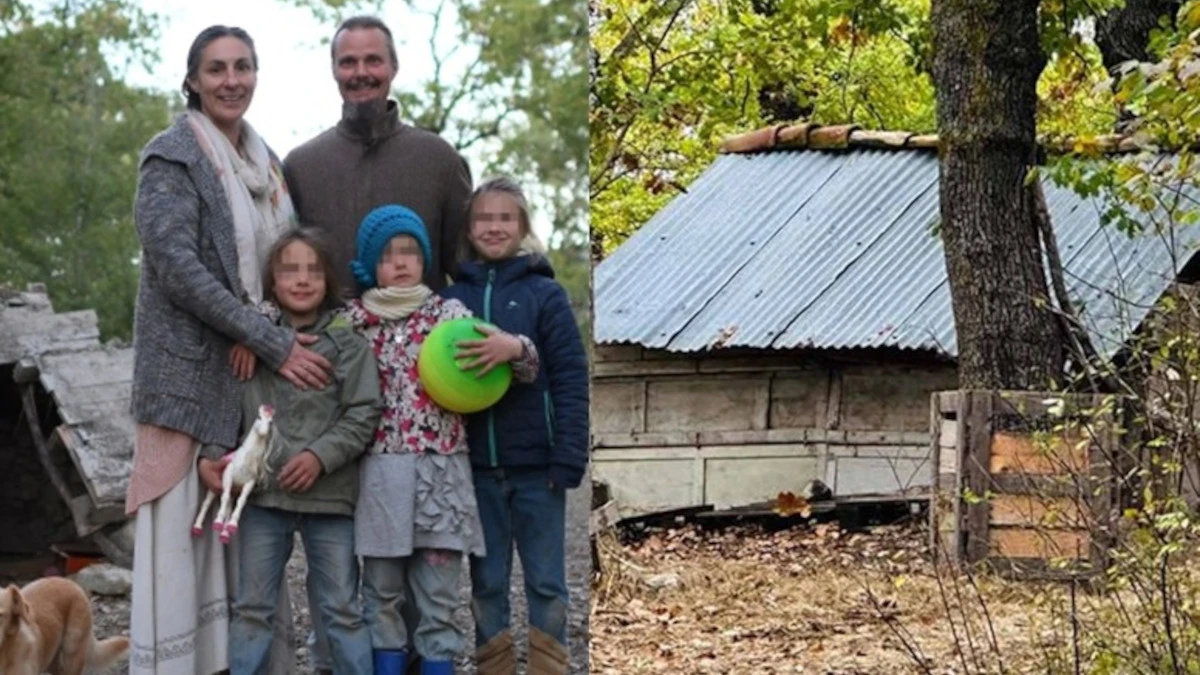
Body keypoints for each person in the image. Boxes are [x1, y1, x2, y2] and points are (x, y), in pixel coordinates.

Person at [126, 25, 333, 675]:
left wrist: (261, 329)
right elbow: (176, 267)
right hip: (186, 377)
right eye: (216, 69)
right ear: (192, 80)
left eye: (243, 66)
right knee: (183, 538)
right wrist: (259, 333)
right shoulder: (172, 156)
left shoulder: (265, 162)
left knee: (248, 535)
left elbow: (279, 265)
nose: (231, 80)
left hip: (247, 376)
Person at [340, 205, 539, 675]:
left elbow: (521, 363)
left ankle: (437, 664)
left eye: (411, 251)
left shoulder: (448, 314)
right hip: (378, 474)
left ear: (424, 258)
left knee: (439, 592)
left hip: (440, 473)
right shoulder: (351, 321)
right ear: (372, 265)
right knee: (381, 592)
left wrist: (516, 348)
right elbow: (297, 340)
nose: (402, 261)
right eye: (389, 255)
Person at [202, 228, 381, 675]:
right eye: (289, 270)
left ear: (328, 280)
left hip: (330, 497)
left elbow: (364, 412)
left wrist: (321, 456)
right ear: (272, 281)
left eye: (313, 270)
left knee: (342, 608)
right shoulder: (250, 345)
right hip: (264, 498)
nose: (301, 280)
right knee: (252, 608)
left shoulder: (349, 345)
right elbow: (227, 407)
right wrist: (212, 453)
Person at [440, 177, 589, 675]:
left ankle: (549, 665)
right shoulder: (450, 297)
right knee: (485, 583)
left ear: (522, 225)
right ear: (468, 227)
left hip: (538, 468)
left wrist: (569, 455)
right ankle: (495, 667)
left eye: (505, 217)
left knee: (547, 582)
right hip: (476, 468)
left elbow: (569, 376)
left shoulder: (545, 294)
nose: (494, 226)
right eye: (483, 217)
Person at [283, 15, 472, 295]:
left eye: (373, 60)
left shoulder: (440, 160)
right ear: (334, 71)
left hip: (423, 335)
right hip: (326, 336)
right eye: (348, 62)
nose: (361, 72)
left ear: (394, 67)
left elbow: (471, 274)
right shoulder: (300, 168)